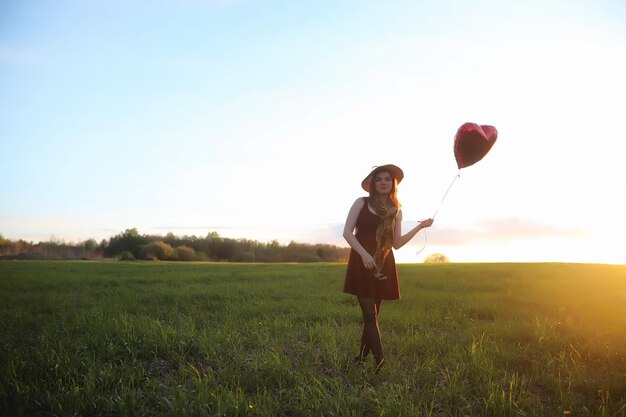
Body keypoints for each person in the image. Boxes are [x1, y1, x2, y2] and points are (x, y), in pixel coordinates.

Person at [343, 164, 433, 372]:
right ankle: (381, 363)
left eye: (387, 179)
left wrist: (420, 227)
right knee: (368, 314)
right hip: (361, 261)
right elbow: (347, 233)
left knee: (373, 315)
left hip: (383, 263)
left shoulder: (396, 210)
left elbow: (397, 243)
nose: (383, 182)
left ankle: (361, 358)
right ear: (373, 184)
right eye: (379, 179)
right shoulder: (361, 203)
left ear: (393, 184)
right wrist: (364, 255)